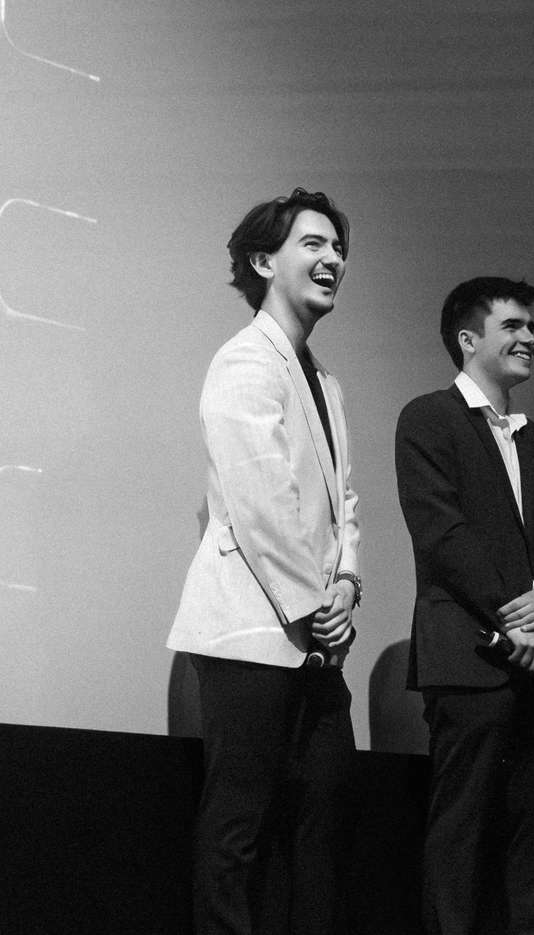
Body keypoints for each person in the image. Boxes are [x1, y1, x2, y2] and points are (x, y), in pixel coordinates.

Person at [168, 188, 362, 935]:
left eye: (337, 247)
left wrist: (347, 583)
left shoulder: (326, 379)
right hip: (252, 632)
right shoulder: (244, 360)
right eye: (313, 244)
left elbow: (343, 500)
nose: (332, 258)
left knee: (322, 821)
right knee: (239, 825)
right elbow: (261, 502)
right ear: (262, 261)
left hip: (313, 633)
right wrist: (317, 606)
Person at [395, 277, 534, 935]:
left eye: (532, 326)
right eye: (513, 325)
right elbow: (442, 534)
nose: (529, 337)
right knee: (461, 833)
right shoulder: (429, 418)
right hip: (471, 659)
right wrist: (514, 616)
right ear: (468, 339)